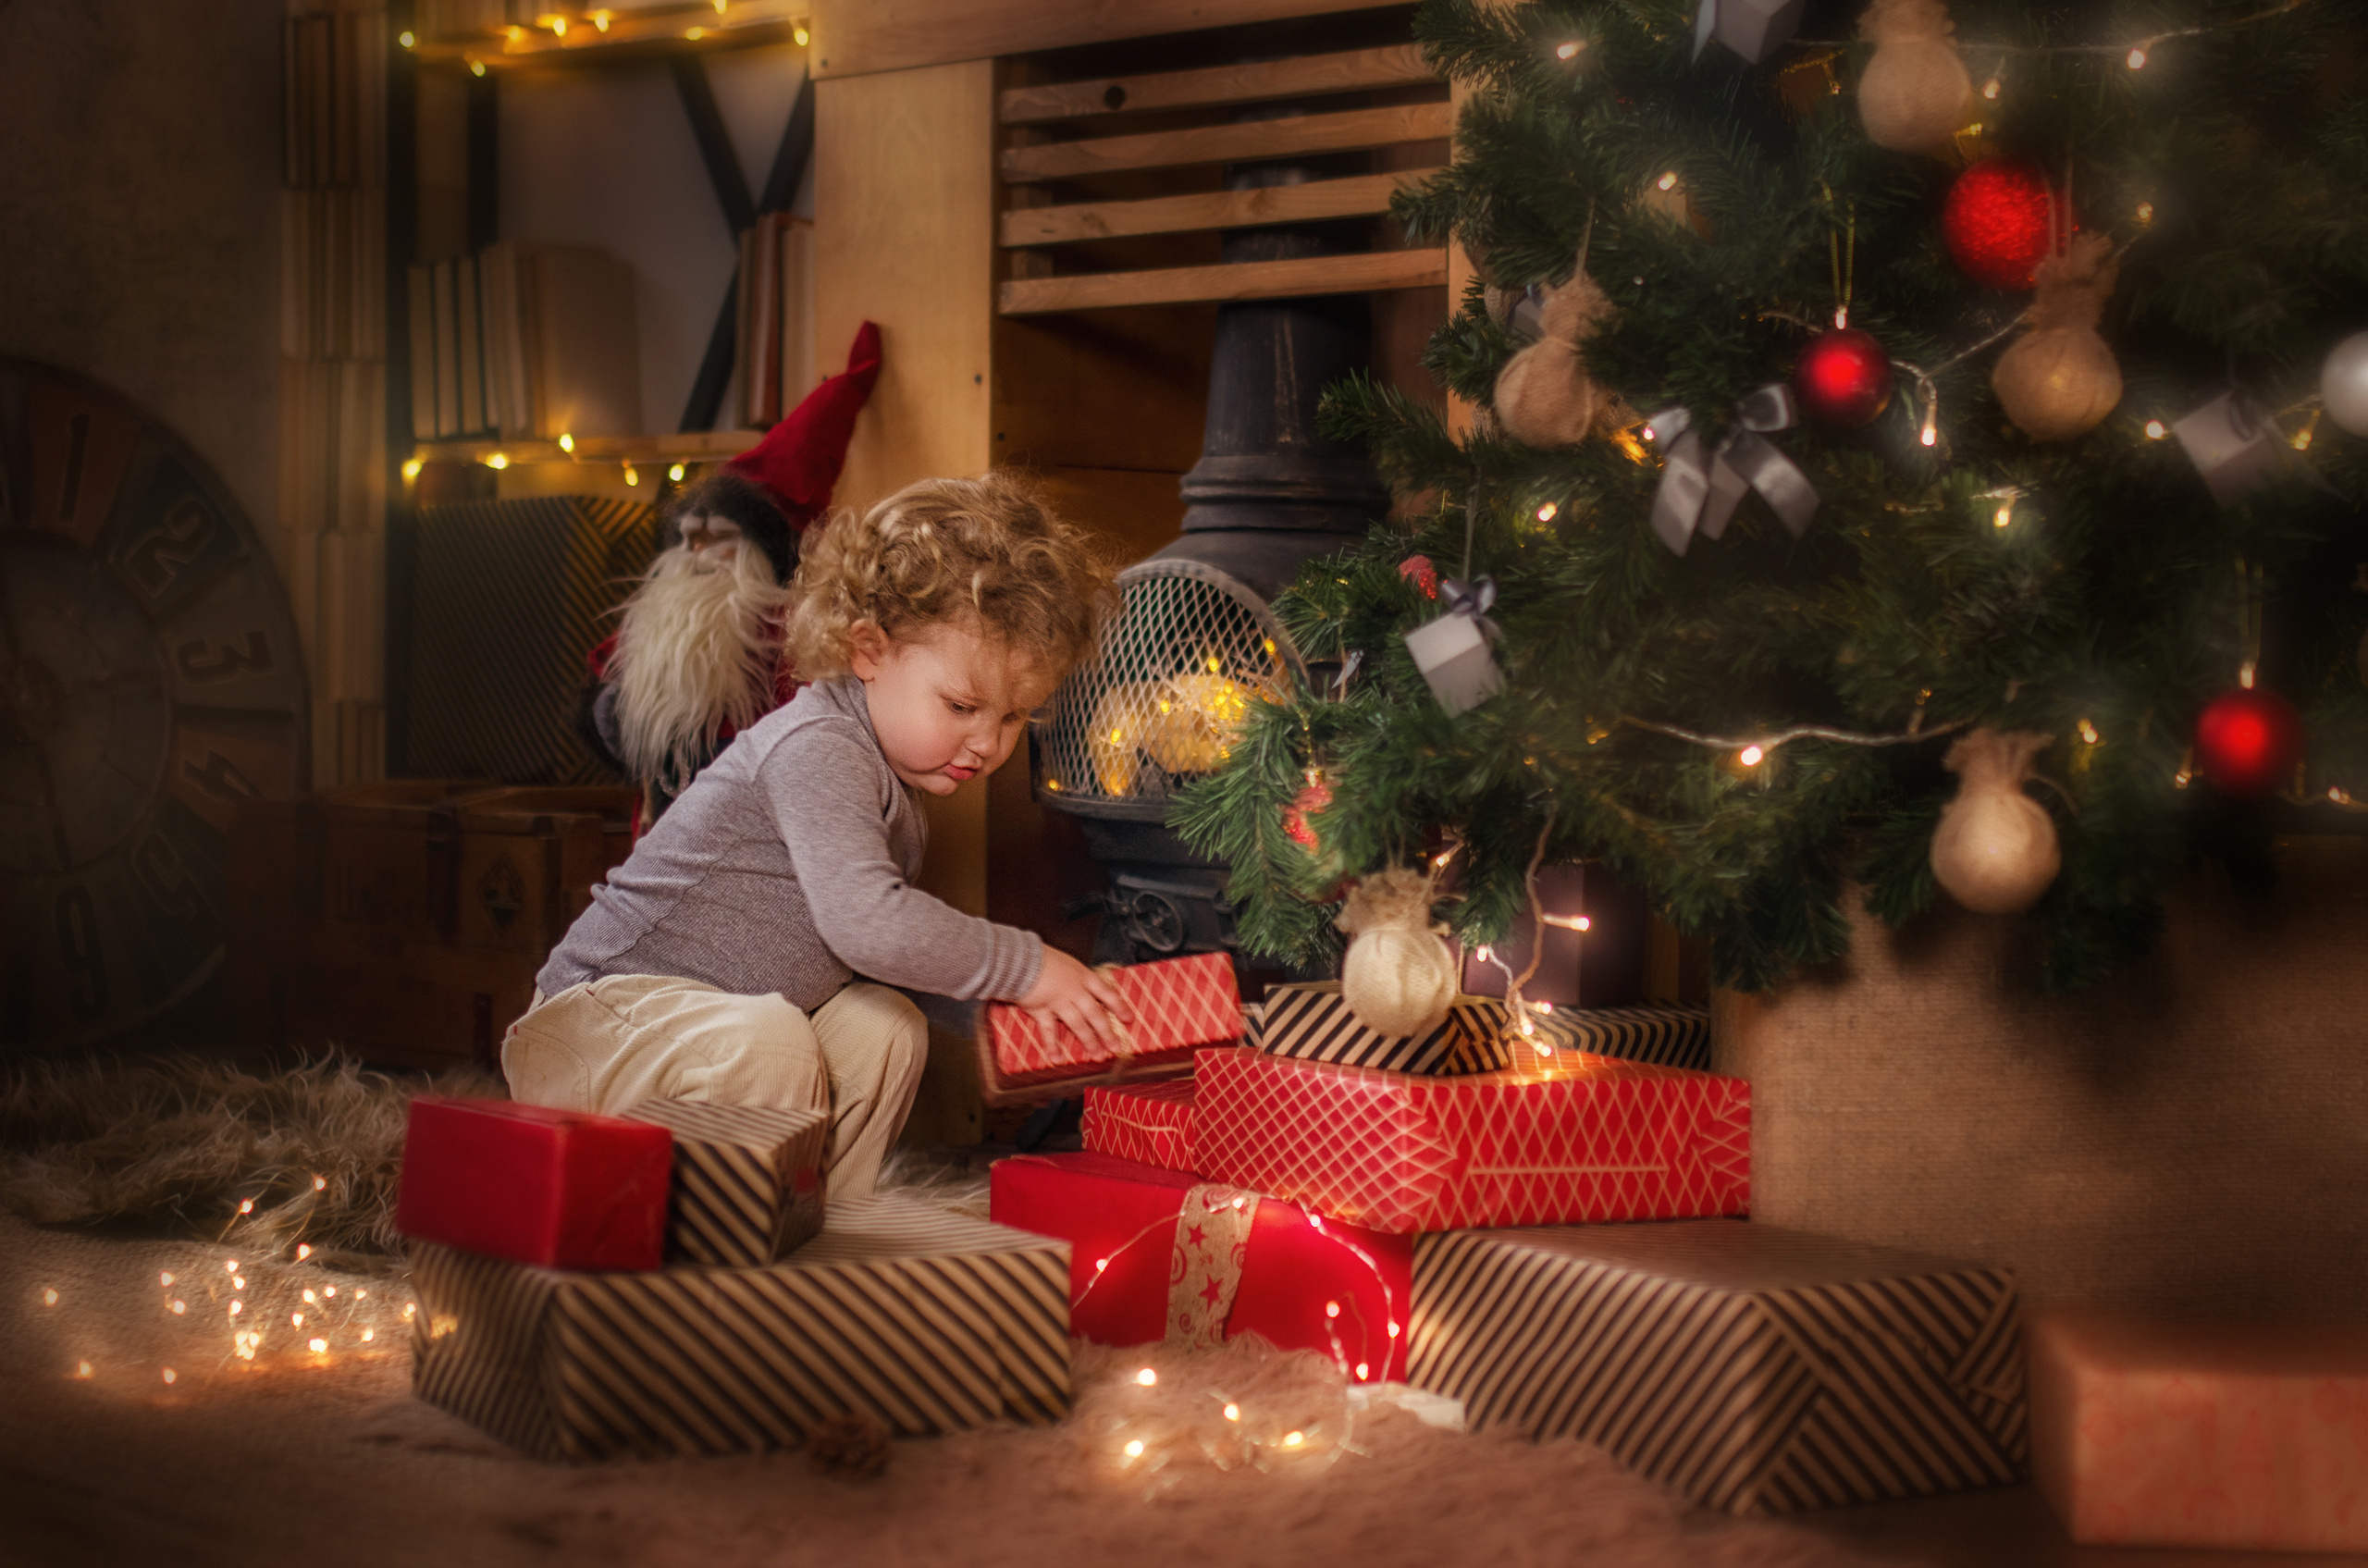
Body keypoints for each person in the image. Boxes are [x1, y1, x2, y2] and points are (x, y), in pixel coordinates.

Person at [507, 471, 1131, 1200]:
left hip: (705, 1038)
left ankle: (806, 1230)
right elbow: (869, 925)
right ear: (868, 649)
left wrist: (1018, 1015)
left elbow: (881, 962)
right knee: (771, 1044)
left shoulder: (890, 785)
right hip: (596, 1026)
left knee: (886, 1025)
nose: (986, 743)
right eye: (962, 704)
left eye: (1014, 716)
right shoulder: (818, 746)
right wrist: (1028, 967)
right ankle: (714, 1262)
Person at [582, 323, 882, 829]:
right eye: (688, 536)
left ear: (762, 557)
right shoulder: (650, 625)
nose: (697, 553)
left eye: (716, 539)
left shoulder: (791, 636)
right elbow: (601, 701)